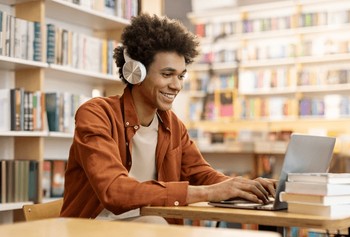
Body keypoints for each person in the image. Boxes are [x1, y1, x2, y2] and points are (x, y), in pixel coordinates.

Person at [60, 14, 276, 222]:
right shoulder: (96, 114)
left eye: (181, 76)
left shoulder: (172, 124)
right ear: (136, 72)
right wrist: (209, 192)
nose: (177, 85)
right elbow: (114, 191)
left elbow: (202, 174)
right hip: (92, 231)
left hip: (150, 233)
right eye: (167, 74)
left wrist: (246, 186)